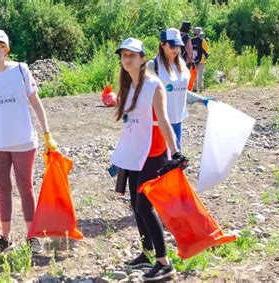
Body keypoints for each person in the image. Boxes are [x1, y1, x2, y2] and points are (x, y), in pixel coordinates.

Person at [0, 29, 58, 255]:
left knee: (26, 187)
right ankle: (5, 238)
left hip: (24, 141)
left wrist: (47, 133)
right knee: (2, 189)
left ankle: (32, 236)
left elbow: (35, 102)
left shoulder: (21, 71)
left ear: (6, 49)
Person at [111, 37, 187, 280]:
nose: (127, 59)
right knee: (135, 205)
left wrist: (174, 152)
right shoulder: (128, 85)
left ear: (143, 58)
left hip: (152, 153)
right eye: (124, 55)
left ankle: (164, 263)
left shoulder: (154, 85)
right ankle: (146, 253)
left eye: (132, 55)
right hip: (134, 152)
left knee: (145, 205)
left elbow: (163, 120)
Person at [147, 28, 211, 150]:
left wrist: (203, 100)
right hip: (159, 123)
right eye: (172, 46)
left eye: (178, 46)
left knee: (176, 159)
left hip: (177, 120)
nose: (176, 49)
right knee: (162, 160)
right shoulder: (153, 65)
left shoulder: (181, 63)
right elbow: (144, 94)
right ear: (162, 45)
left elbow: (181, 91)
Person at [191, 27, 209, 92]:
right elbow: (206, 50)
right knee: (200, 75)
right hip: (201, 60)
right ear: (200, 33)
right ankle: (200, 89)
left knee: (194, 74)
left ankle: (194, 88)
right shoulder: (203, 40)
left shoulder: (191, 40)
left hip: (193, 60)